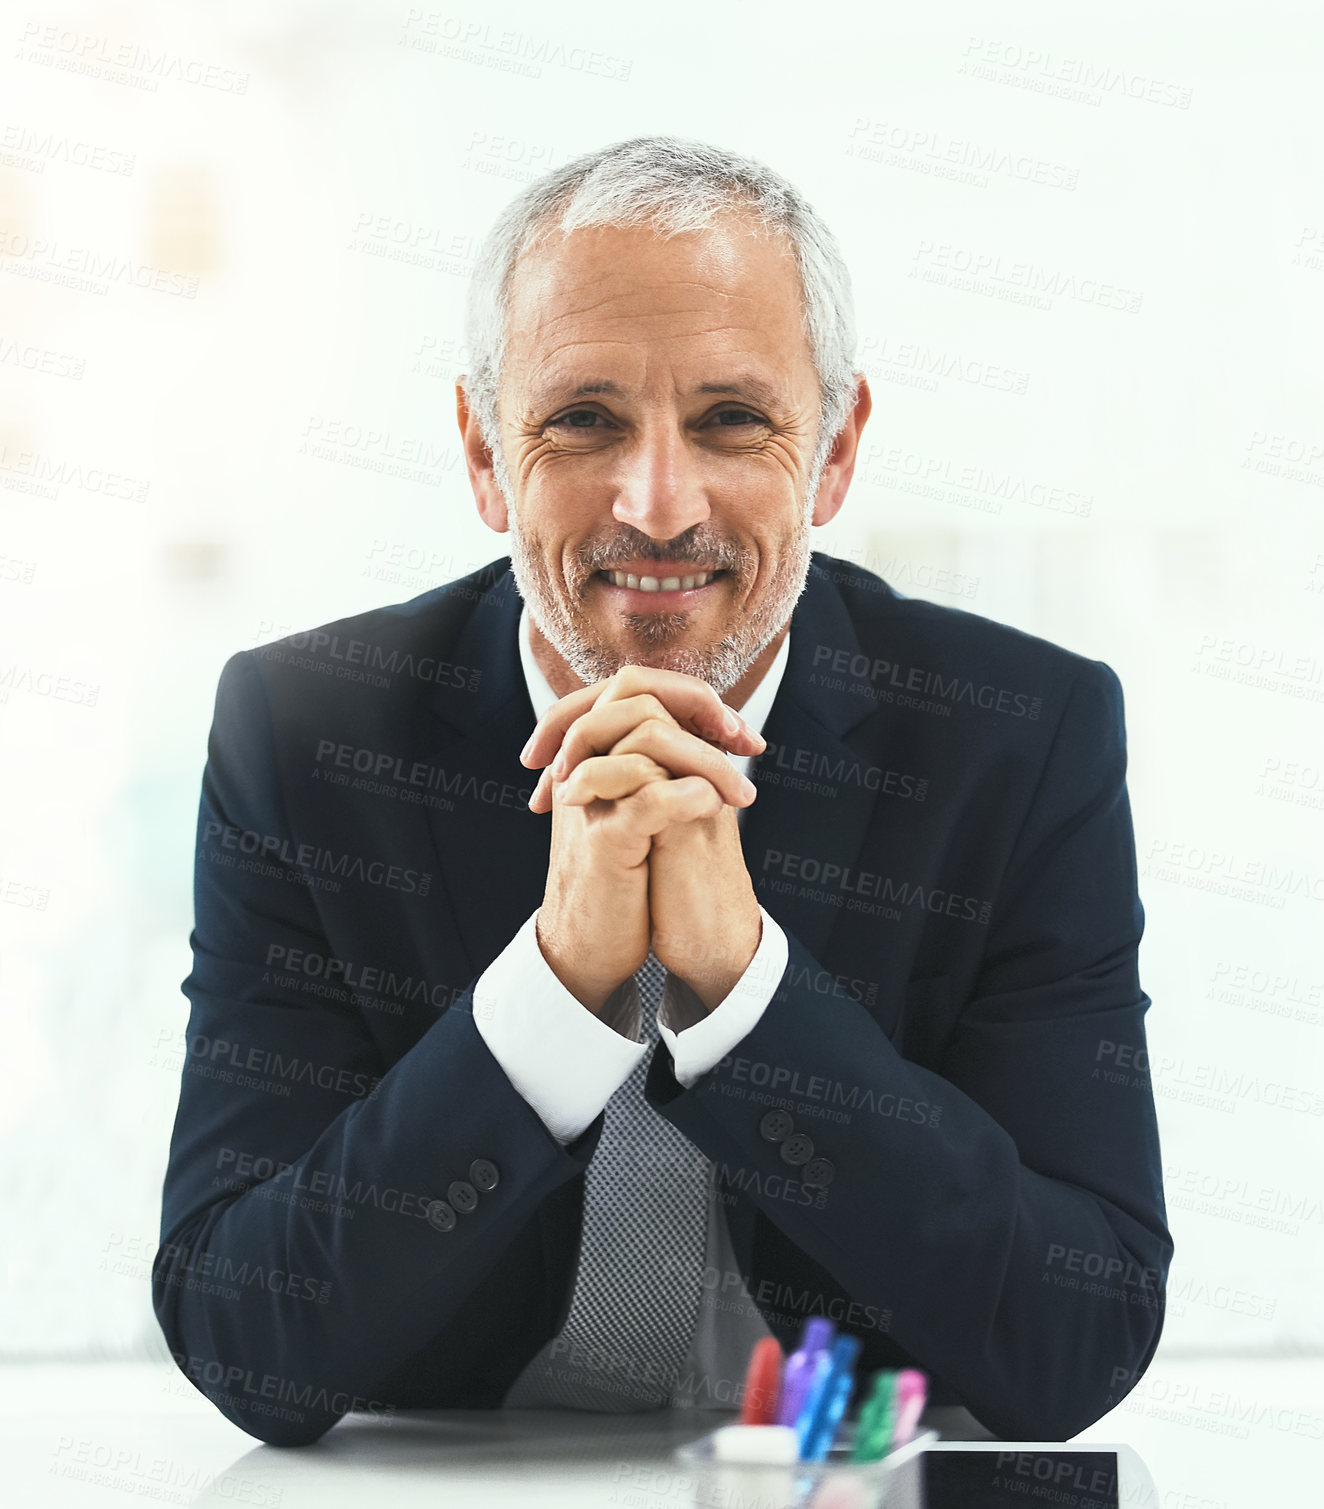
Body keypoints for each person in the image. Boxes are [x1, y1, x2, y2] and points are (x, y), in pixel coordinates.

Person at [154, 135, 1171, 1447]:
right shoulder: (305, 734)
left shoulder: (1023, 739)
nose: (657, 502)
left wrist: (744, 989)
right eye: (582, 420)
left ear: (836, 451)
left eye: (731, 420)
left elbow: (1076, 1339)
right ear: (480, 451)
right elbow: (245, 1335)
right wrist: (553, 993)